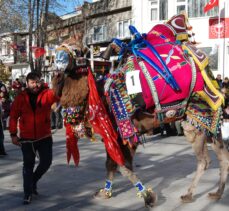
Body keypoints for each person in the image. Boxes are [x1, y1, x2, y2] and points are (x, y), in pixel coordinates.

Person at [9, 72, 59, 205]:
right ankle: (27, 193)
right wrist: (13, 134)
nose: (36, 85)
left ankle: (32, 181)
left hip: (45, 137)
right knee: (28, 166)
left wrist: (58, 79)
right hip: (27, 139)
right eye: (32, 82)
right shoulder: (21, 98)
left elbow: (59, 95)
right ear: (27, 83)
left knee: (46, 162)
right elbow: (13, 116)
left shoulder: (47, 94)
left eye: (37, 82)